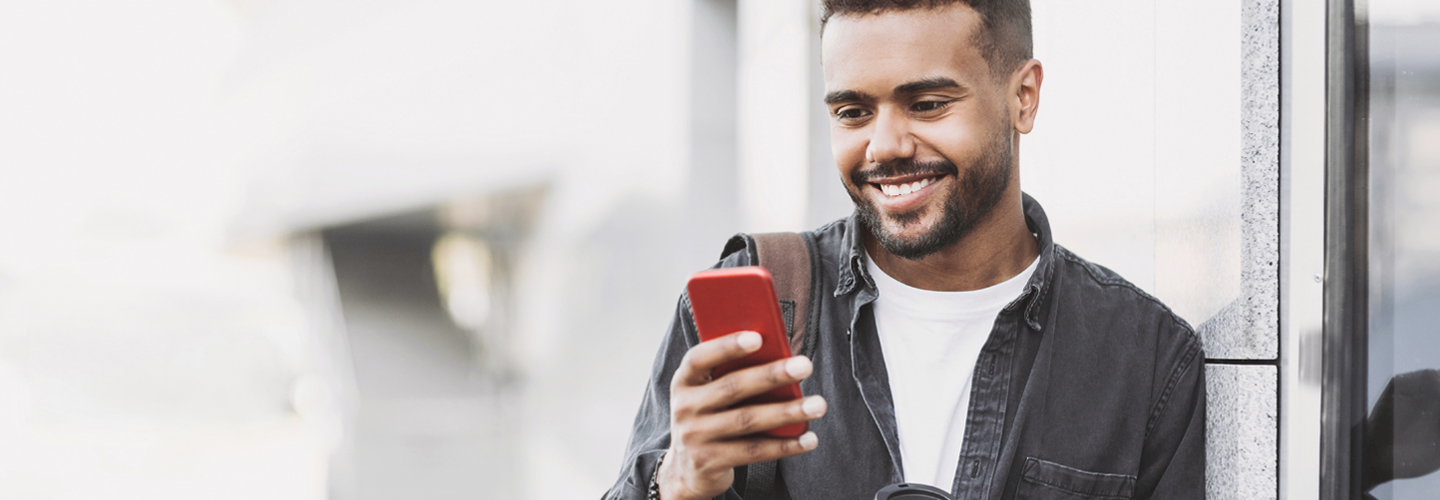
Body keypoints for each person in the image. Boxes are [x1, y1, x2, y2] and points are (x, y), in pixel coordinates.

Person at [604, 1, 1206, 498]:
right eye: (852, 111)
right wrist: (673, 483)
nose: (884, 145)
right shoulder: (752, 316)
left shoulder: (1143, 357)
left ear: (1023, 96)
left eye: (927, 104)